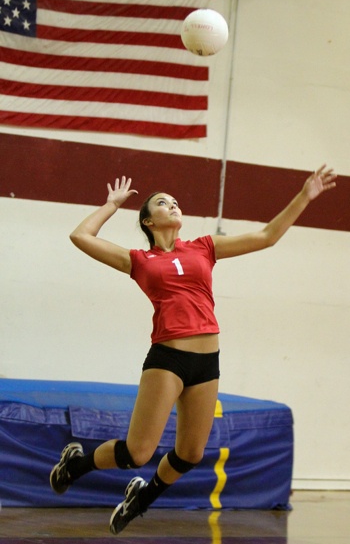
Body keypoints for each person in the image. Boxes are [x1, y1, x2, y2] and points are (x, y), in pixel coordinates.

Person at [50, 164, 336, 535]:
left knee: (191, 454)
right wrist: (111, 205)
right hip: (168, 358)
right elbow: (80, 235)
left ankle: (143, 498)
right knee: (137, 453)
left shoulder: (204, 248)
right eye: (162, 203)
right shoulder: (139, 260)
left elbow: (267, 236)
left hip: (207, 361)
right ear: (149, 222)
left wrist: (304, 196)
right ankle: (75, 464)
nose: (172, 205)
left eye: (174, 201)